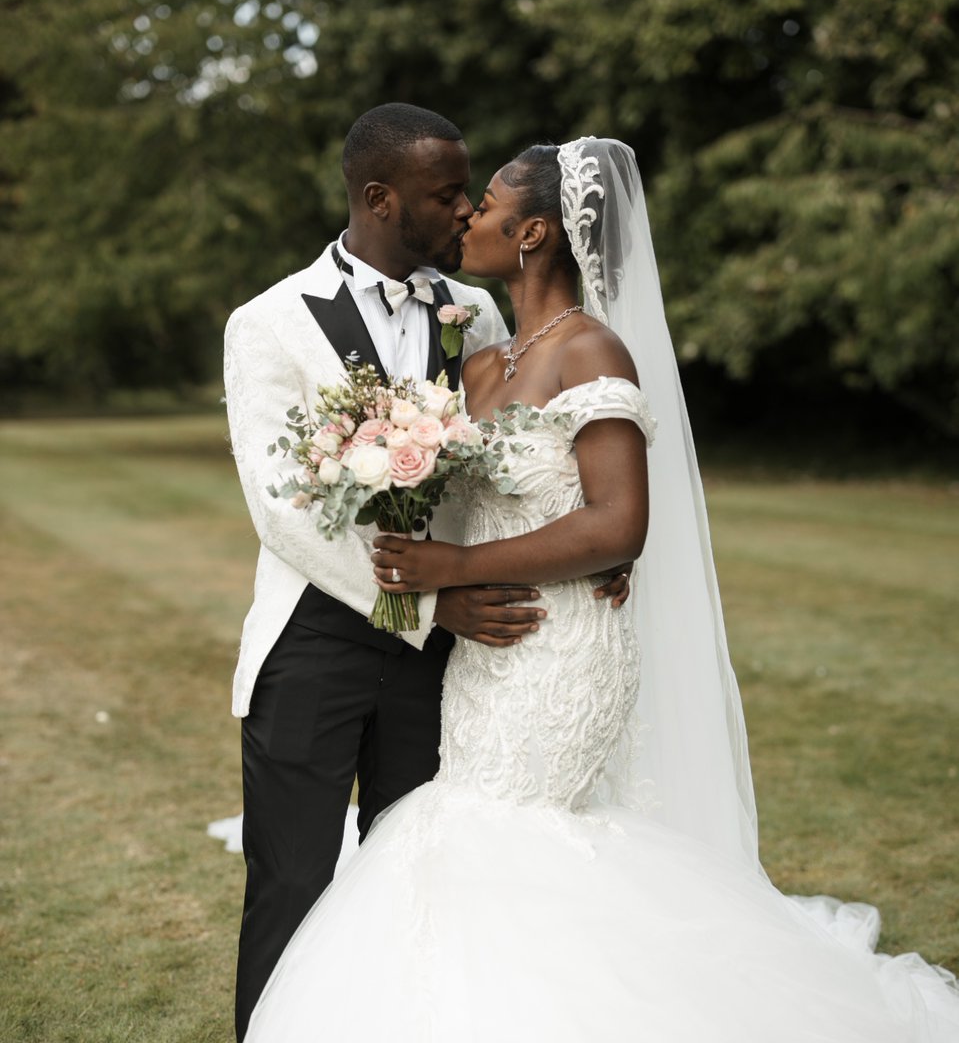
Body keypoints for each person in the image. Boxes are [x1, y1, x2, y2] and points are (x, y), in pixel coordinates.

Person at [241, 137, 959, 1041]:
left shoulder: (571, 344)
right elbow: (440, 498)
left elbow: (616, 519)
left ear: (533, 233)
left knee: (501, 838)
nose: (466, 215)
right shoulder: (466, 353)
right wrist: (465, 571)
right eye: (459, 197)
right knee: (446, 850)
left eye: (482, 201)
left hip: (554, 648)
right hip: (461, 651)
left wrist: (537, 558)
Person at [223, 106, 629, 1040]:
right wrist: (428, 602)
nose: (463, 210)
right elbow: (283, 510)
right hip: (319, 635)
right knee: (292, 876)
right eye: (446, 195)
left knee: (415, 874)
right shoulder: (268, 323)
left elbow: (516, 456)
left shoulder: (474, 312)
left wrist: (597, 548)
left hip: (448, 654)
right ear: (379, 198)